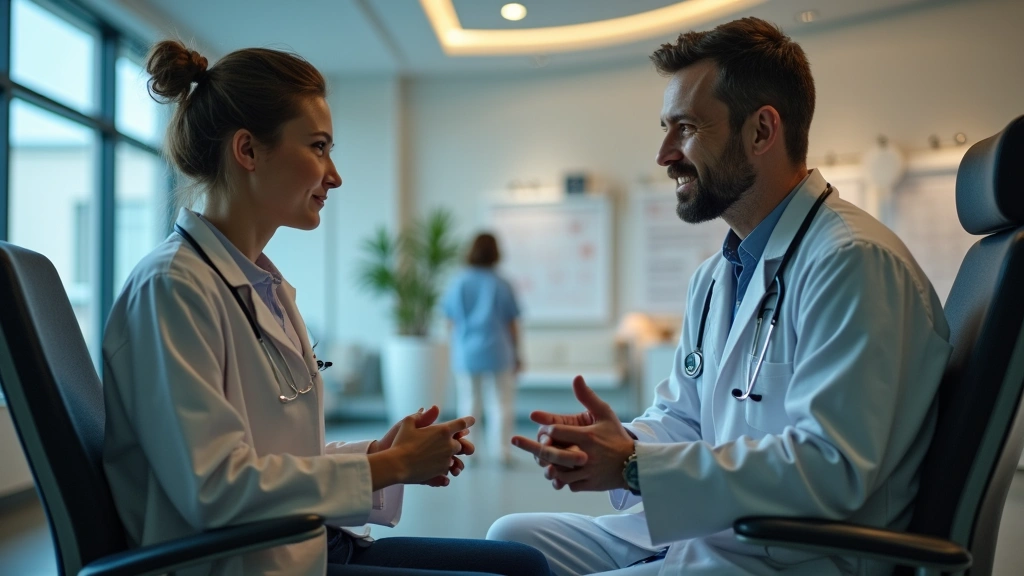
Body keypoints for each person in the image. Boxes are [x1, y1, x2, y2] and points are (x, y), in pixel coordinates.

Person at [487, 17, 952, 576]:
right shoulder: (716, 276)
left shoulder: (851, 261)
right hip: (717, 528)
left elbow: (832, 470)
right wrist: (620, 441)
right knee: (512, 542)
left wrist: (635, 468)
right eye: (665, 128)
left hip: (796, 554)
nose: (664, 154)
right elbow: (687, 417)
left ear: (761, 131)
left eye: (685, 128)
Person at [101, 41, 549, 576]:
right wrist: (392, 465)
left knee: (521, 563)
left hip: (304, 541)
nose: (333, 175)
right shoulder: (173, 288)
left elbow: (270, 456)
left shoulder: (258, 283)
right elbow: (215, 488)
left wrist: (378, 456)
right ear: (247, 151)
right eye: (317, 147)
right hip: (243, 562)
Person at [442, 233, 522, 467]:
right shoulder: (502, 283)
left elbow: (450, 321)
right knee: (501, 404)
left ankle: (469, 450)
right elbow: (512, 323)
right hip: (498, 350)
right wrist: (518, 354)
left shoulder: (459, 282)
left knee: (469, 402)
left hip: (467, 351)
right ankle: (502, 451)